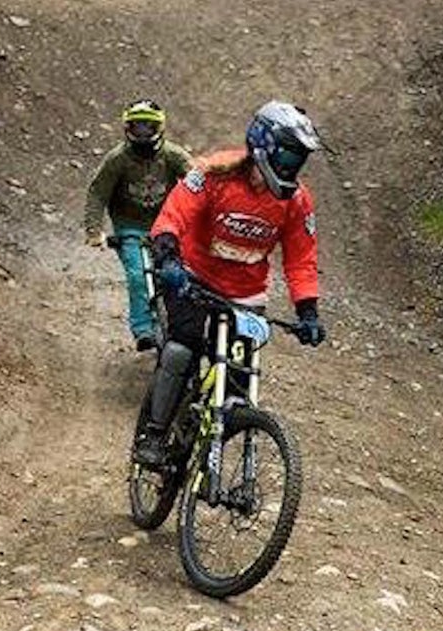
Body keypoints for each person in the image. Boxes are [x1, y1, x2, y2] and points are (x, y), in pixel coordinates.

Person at [133, 100, 327, 467]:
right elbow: (172, 217)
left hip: (245, 295)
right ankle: (155, 434)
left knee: (239, 381)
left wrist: (308, 310)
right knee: (182, 349)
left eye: (298, 160)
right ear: (263, 145)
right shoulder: (213, 173)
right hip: (193, 279)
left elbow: (301, 258)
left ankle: (213, 450)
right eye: (286, 156)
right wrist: (169, 258)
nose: (292, 167)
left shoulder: (297, 201)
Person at [84, 100, 193, 351]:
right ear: (127, 128)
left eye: (149, 127)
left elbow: (197, 184)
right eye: (137, 127)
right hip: (129, 227)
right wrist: (94, 230)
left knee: (177, 274)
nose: (143, 133)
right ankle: (143, 328)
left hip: (167, 226)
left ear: (160, 128)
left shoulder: (173, 156)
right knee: (137, 275)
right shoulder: (117, 160)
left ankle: (180, 326)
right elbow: (98, 192)